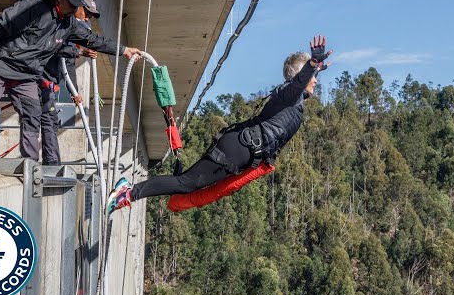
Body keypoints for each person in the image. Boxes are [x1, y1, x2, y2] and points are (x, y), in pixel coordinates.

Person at [106, 35, 332, 213]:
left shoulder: (294, 101)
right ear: (300, 76)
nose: (315, 80)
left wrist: (316, 67)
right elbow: (299, 82)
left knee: (190, 185)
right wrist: (312, 64)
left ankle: (129, 192)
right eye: (313, 75)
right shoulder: (287, 93)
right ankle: (128, 193)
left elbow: (301, 82)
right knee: (186, 183)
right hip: (238, 149)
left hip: (242, 152)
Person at [0, 0, 143, 161]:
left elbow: (94, 40)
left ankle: (29, 162)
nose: (75, 9)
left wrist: (124, 50)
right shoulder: (33, 8)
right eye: (72, 4)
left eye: (78, 6)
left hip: (26, 74)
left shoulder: (69, 25)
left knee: (32, 114)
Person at [39, 0, 100, 166]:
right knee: (46, 118)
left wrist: (74, 91)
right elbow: (56, 49)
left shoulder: (73, 35)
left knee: (49, 119)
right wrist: (80, 52)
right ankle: (49, 164)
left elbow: (68, 64)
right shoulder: (62, 26)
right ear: (77, 8)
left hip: (49, 81)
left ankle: (51, 162)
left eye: (91, 16)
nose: (88, 18)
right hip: (38, 77)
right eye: (86, 13)